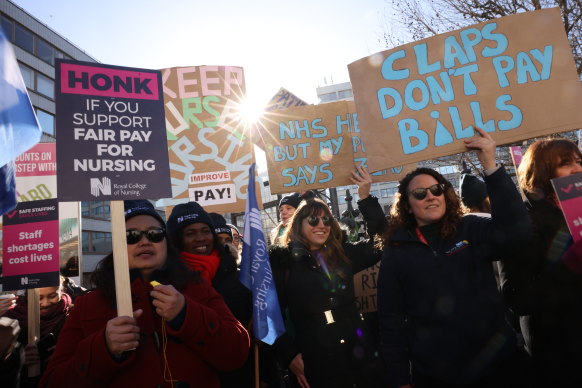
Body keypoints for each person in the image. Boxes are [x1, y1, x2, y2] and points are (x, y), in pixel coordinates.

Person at [377, 128, 531, 388]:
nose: (431, 196)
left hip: (496, 365)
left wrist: (491, 166)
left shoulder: (470, 227)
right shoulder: (396, 250)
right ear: (406, 204)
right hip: (437, 375)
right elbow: (390, 319)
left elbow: (518, 233)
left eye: (437, 189)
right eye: (420, 193)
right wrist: (400, 379)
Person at [40, 200, 249, 387]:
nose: (144, 241)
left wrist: (187, 314)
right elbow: (53, 380)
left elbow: (237, 353)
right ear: (117, 245)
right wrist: (104, 347)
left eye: (154, 234)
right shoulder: (89, 305)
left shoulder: (195, 287)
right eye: (131, 236)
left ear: (166, 242)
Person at [268, 166, 386, 388]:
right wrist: (289, 356)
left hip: (356, 347)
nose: (321, 225)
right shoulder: (283, 263)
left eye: (326, 221)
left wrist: (365, 197)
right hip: (313, 355)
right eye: (313, 221)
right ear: (298, 226)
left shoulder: (345, 253)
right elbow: (270, 315)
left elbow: (382, 242)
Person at [498, 138, 582, 387]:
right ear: (542, 172)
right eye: (565, 163)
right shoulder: (522, 222)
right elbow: (518, 298)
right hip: (562, 353)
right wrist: (571, 263)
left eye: (579, 161)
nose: (577, 169)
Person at [167, 202, 252, 387]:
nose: (200, 238)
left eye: (205, 231)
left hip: (238, 376)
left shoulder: (237, 276)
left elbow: (255, 332)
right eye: (190, 233)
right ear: (176, 239)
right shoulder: (167, 282)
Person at [4, 278, 72, 388]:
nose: (45, 303)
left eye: (52, 296)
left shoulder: (73, 316)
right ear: (27, 296)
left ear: (61, 291)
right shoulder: (10, 319)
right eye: (38, 298)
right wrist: (19, 358)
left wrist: (65, 353)